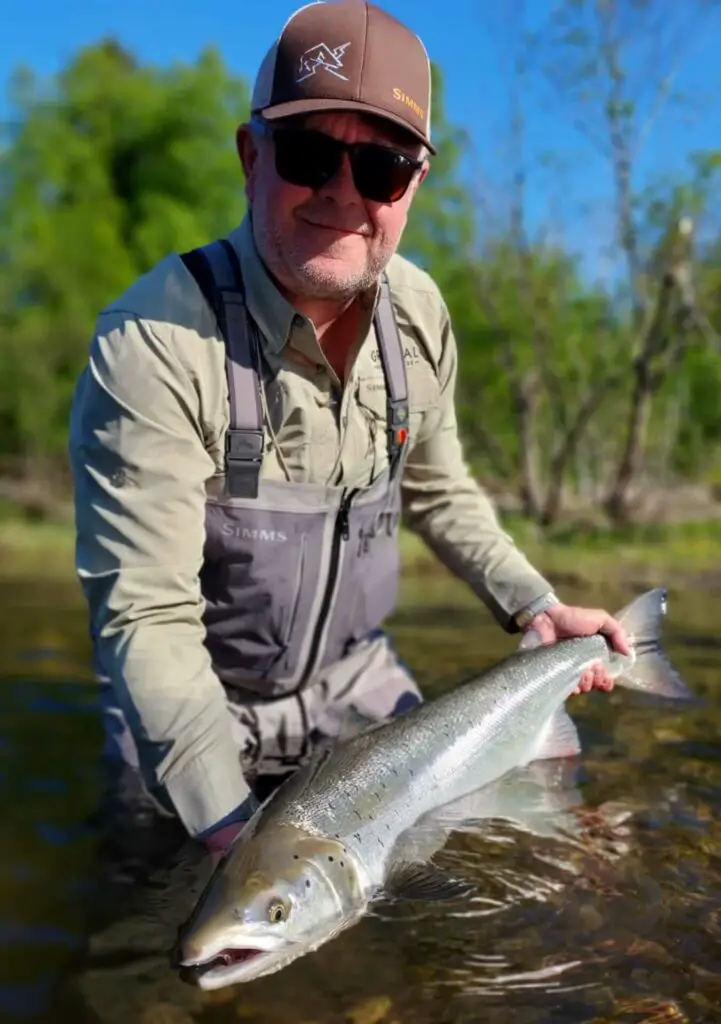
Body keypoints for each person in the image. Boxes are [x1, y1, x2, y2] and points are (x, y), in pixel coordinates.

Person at [68, 0, 629, 864]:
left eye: (381, 166)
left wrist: (536, 605)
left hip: (359, 696)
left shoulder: (422, 316)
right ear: (252, 157)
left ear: (413, 184)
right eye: (308, 154)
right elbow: (146, 615)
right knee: (162, 958)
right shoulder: (154, 340)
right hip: (197, 709)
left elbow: (441, 494)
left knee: (519, 888)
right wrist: (229, 835)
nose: (342, 192)